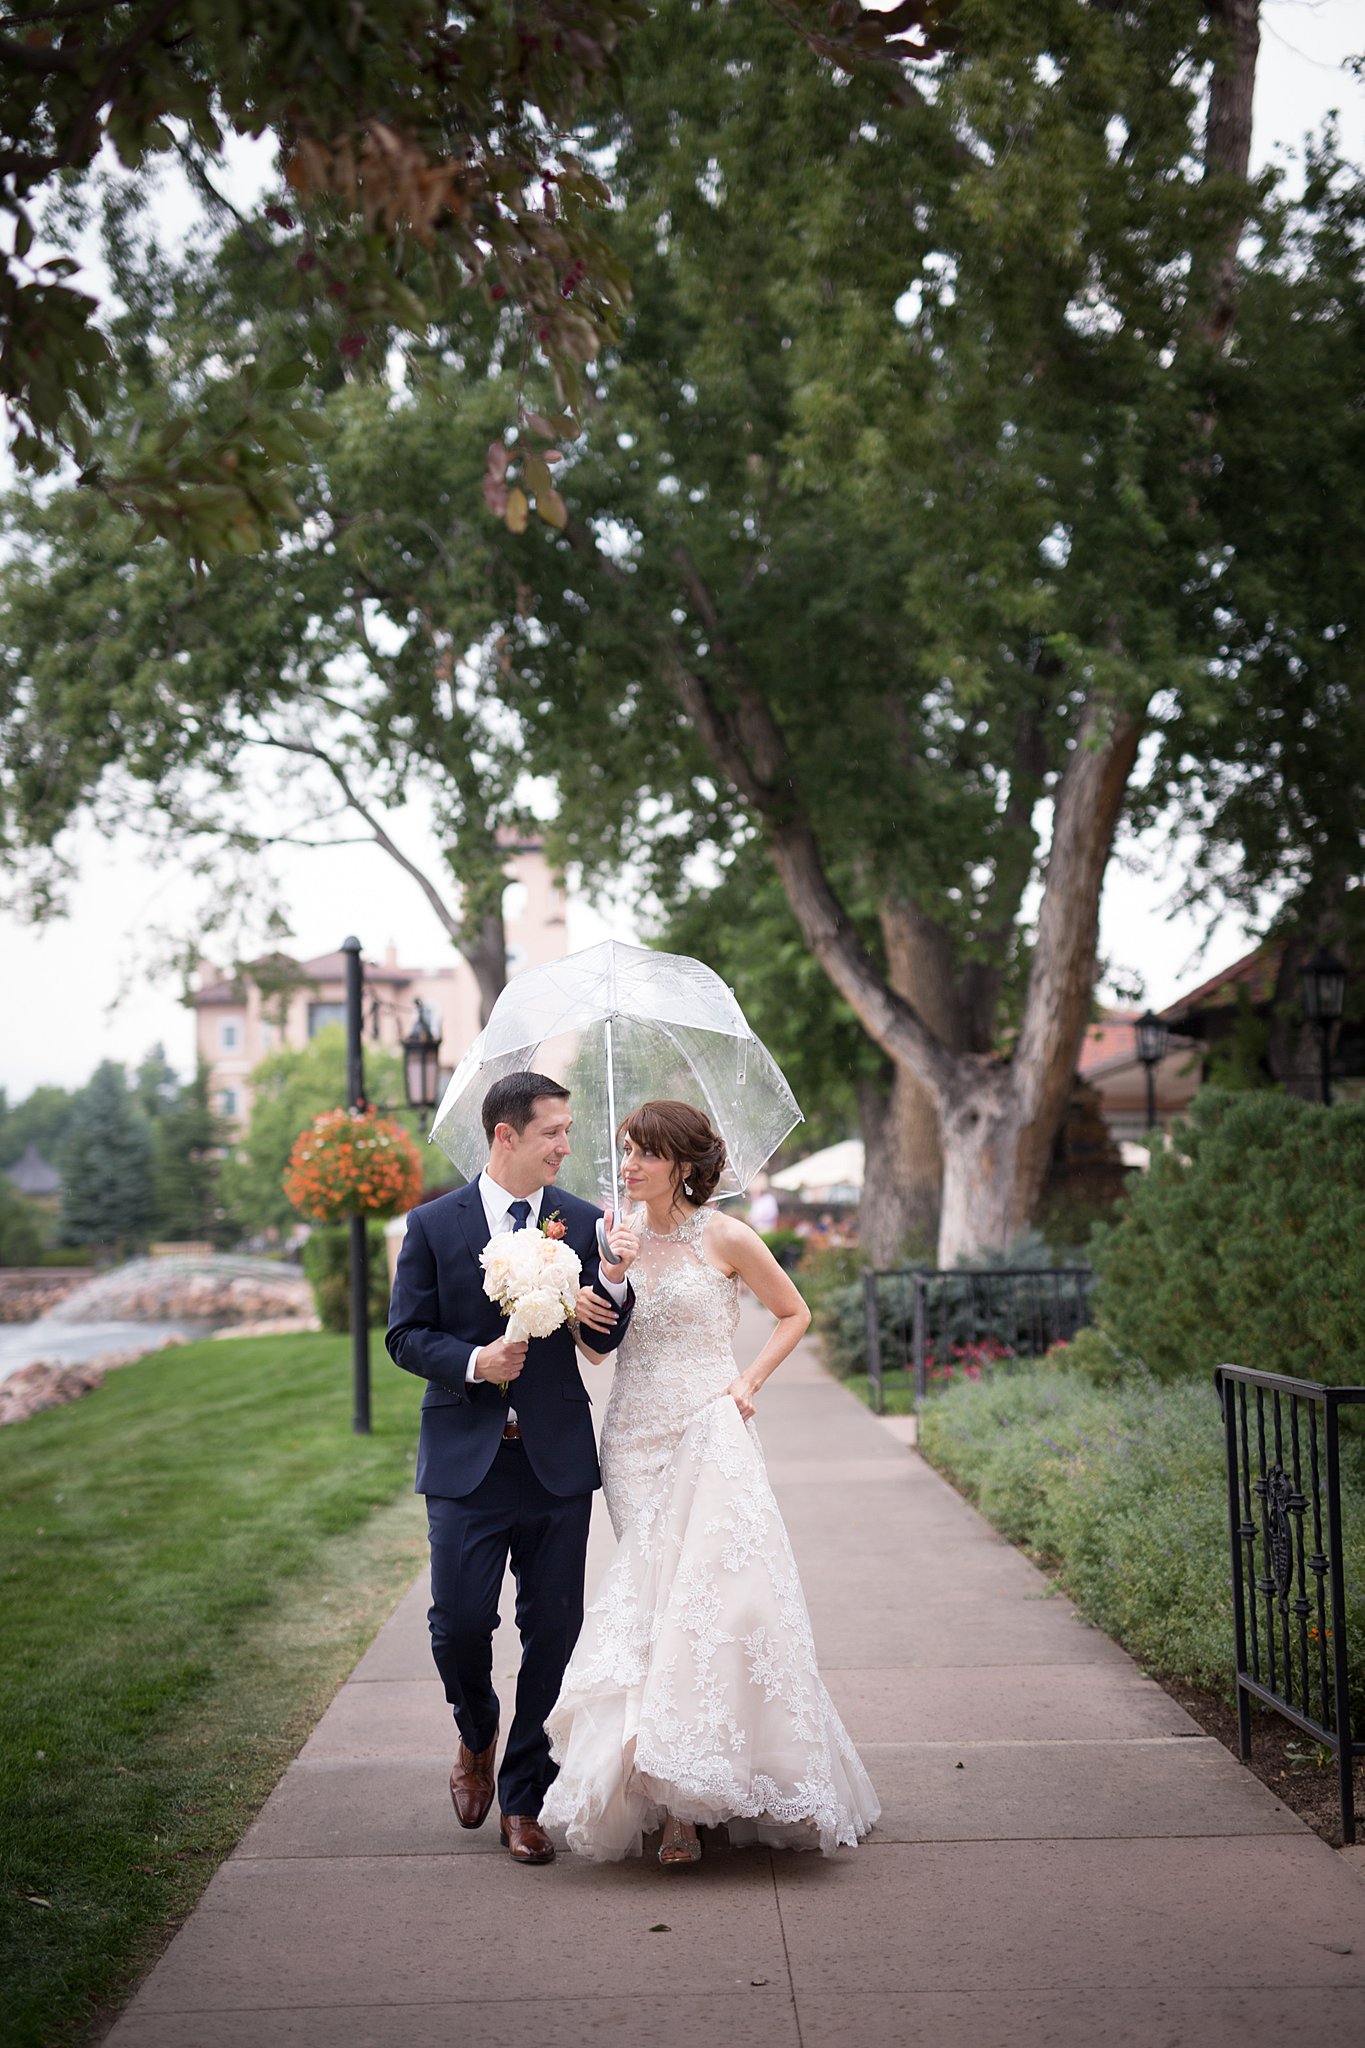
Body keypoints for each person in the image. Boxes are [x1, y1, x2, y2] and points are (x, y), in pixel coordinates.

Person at [541, 1099, 879, 1865]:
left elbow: (794, 1313)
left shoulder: (725, 1235)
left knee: (719, 1607)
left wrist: (749, 1379)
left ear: (683, 1165)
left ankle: (719, 1782)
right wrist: (612, 1276)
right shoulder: (607, 1239)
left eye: (644, 1153)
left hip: (711, 1428)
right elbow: (595, 1355)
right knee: (653, 1611)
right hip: (633, 1439)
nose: (627, 1165)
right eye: (625, 1151)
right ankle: (672, 1809)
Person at [385, 1072, 639, 1867]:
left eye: (567, 1131)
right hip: (467, 1460)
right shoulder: (432, 1226)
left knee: (553, 1634)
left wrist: (615, 1285)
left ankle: (524, 1799)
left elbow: (605, 1334)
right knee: (458, 1625)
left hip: (557, 1460)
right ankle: (475, 1730)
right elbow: (404, 1335)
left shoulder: (588, 1221)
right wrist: (473, 1361)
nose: (567, 1145)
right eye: (553, 1133)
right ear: (506, 1137)